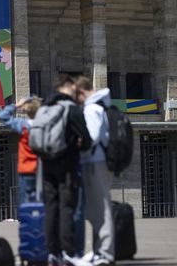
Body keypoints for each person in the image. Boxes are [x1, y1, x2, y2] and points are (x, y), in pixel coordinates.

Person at [41, 74, 92, 266]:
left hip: (46, 165)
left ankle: (52, 253)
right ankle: (69, 253)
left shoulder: (45, 107)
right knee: (67, 208)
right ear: (68, 86)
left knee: (51, 208)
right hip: (67, 165)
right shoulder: (72, 109)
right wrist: (78, 145)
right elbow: (86, 140)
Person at [75, 76, 115, 266]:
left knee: (101, 209)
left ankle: (105, 253)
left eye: (77, 97)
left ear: (82, 92)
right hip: (98, 161)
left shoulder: (91, 109)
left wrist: (75, 143)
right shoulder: (100, 107)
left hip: (94, 162)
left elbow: (92, 137)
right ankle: (100, 251)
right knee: (98, 209)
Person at [0, 95, 42, 205]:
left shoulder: (22, 125)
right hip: (44, 167)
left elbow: (2, 116)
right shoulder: (46, 125)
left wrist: (16, 105)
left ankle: (27, 221)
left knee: (26, 200)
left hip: (27, 167)